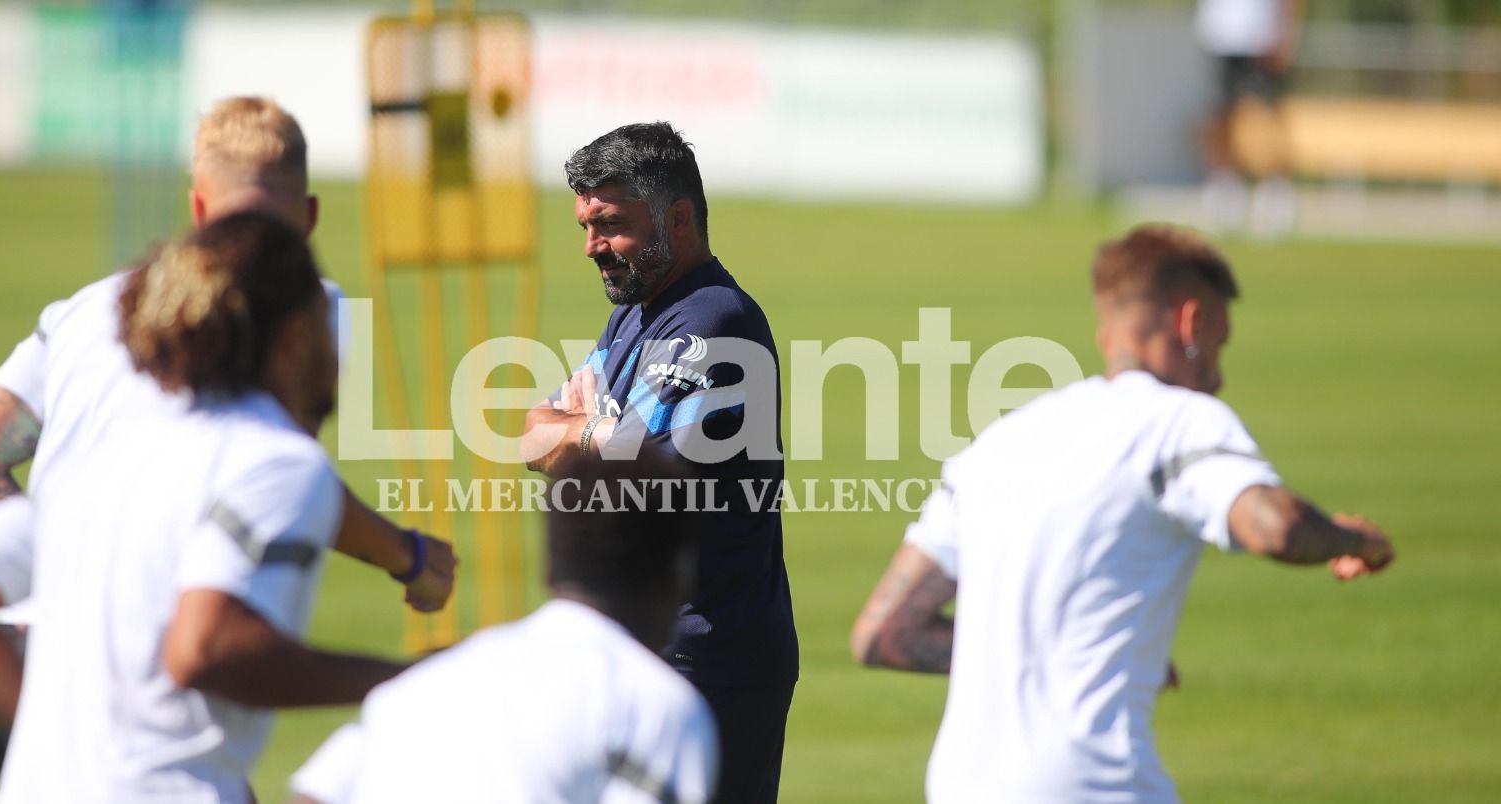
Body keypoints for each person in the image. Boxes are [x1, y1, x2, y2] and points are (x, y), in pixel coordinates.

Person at [0, 96, 455, 780]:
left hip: (26, 659)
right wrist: (407, 563)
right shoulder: (310, 310)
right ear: (309, 216)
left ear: (198, 209)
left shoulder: (88, 312)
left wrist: (71, 587)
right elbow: (274, 490)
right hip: (150, 696)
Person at [851, 224, 1394, 802]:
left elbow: (885, 635)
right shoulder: (1178, 420)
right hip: (1094, 783)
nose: (1219, 373)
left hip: (960, 785)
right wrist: (1354, 541)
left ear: (1106, 330)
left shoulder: (998, 444)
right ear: (1191, 323)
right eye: (1219, 343)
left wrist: (1070, 657)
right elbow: (1275, 527)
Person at [0, 212, 404, 802]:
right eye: (322, 324)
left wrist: (44, 731)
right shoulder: (276, 460)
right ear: (290, 339)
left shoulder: (111, 450)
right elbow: (204, 651)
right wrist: (404, 681)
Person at [520, 122, 797, 802]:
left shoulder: (716, 323)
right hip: (648, 646)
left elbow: (648, 485)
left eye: (610, 224)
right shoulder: (636, 316)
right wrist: (600, 434)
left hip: (710, 660)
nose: (592, 248)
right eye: (586, 226)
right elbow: (533, 433)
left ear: (678, 217)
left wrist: (586, 434)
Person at [290, 457, 719, 804]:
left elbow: (313, 796)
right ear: (678, 576)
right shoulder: (657, 705)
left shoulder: (434, 677)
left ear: (549, 568)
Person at [1197, 0, 1306, 235]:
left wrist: (1285, 30)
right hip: (1219, 35)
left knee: (1267, 116)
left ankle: (1275, 193)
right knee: (1219, 114)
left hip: (1261, 35)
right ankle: (1225, 188)